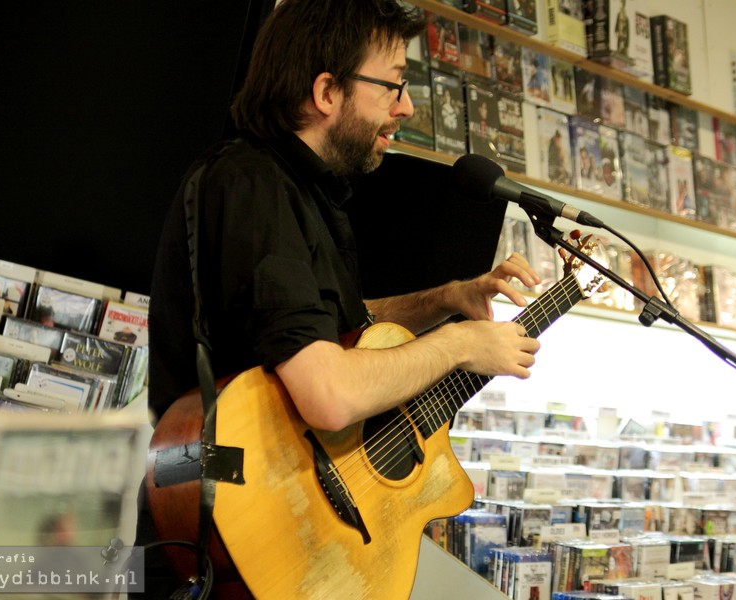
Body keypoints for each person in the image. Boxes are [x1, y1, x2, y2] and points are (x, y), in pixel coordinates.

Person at [141, 0, 541, 597]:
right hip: (214, 512)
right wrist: (461, 344)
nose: (405, 106)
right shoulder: (256, 187)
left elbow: (317, 327)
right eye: (394, 85)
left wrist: (448, 299)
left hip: (250, 505)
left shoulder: (295, 191)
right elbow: (328, 394)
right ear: (327, 91)